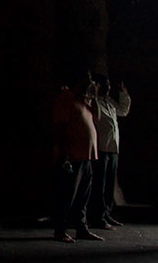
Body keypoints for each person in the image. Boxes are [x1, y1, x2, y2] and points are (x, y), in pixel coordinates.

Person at [50, 71, 100, 242]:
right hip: (73, 156)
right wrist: (63, 153)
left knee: (83, 196)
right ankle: (60, 230)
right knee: (67, 195)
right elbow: (60, 126)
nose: (90, 82)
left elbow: (97, 117)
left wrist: (94, 98)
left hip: (86, 156)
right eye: (87, 79)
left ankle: (81, 228)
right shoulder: (66, 98)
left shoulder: (82, 101)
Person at [87, 73, 131, 227]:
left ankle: (107, 213)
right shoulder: (94, 102)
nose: (108, 87)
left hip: (112, 148)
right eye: (105, 85)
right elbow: (97, 117)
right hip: (101, 148)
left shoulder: (110, 102)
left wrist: (123, 93)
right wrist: (95, 94)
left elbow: (123, 111)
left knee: (109, 184)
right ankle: (97, 215)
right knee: (100, 183)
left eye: (109, 85)